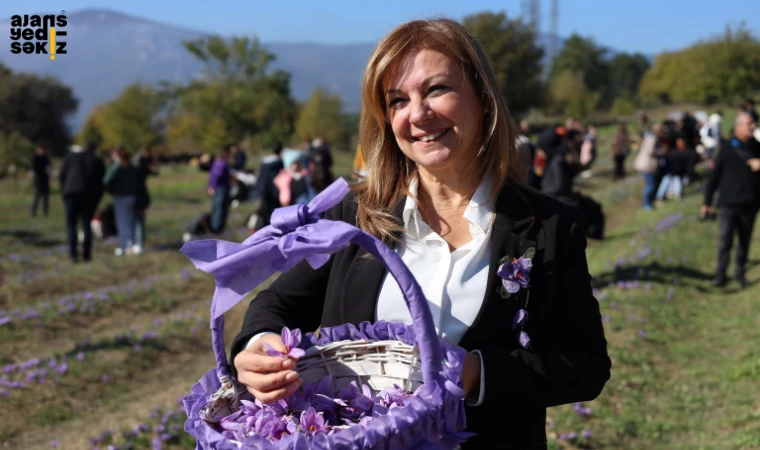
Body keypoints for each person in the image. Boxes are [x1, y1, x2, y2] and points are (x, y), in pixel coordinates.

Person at [228, 18, 610, 449]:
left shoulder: (548, 227)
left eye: (436, 90)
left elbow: (585, 365)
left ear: (482, 97)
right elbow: (279, 301)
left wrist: (478, 373)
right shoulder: (354, 215)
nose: (418, 114)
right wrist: (259, 345)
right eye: (397, 100)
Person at [701, 112, 760, 289]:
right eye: (749, 124)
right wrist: (707, 202)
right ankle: (720, 276)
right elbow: (713, 177)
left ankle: (739, 274)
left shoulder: (757, 147)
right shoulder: (726, 149)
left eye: (754, 124)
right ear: (738, 127)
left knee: (744, 240)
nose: (753, 127)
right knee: (725, 240)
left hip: (751, 202)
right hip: (729, 203)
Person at [59, 142, 105, 263]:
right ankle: (86, 254)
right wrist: (96, 199)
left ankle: (73, 255)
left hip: (70, 193)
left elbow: (62, 175)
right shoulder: (95, 159)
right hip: (87, 195)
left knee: (71, 224)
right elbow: (101, 181)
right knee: (86, 224)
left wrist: (64, 191)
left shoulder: (70, 157)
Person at [103, 146, 141, 256]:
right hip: (132, 196)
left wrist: (112, 191)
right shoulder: (132, 166)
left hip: (120, 197)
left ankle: (125, 246)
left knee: (122, 223)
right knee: (131, 221)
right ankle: (132, 245)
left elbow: (106, 180)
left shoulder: (116, 166)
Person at [132, 146, 158, 254]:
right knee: (139, 221)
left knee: (137, 221)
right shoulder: (141, 170)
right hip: (141, 197)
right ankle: (139, 243)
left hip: (138, 198)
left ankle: (138, 243)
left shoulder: (135, 170)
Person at [634, 124, 661, 210]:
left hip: (644, 164)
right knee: (650, 186)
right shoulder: (653, 139)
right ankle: (646, 204)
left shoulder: (649, 137)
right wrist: (662, 152)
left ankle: (647, 203)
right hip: (647, 165)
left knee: (648, 185)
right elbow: (650, 151)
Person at [207, 147, 233, 234]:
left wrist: (210, 186)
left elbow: (212, 176)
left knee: (216, 208)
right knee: (221, 209)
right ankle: (217, 228)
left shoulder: (215, 163)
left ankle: (215, 227)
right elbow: (218, 175)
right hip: (221, 188)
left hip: (217, 188)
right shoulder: (223, 164)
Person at [30, 145, 51, 217]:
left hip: (45, 180)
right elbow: (34, 168)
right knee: (36, 197)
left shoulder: (46, 157)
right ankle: (33, 212)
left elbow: (49, 166)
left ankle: (45, 213)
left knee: (45, 198)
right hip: (38, 181)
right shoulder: (35, 158)